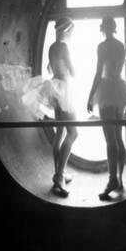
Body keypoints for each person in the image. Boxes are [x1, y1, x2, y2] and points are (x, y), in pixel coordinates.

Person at [87, 16, 126, 201]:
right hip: (120, 90)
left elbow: (97, 73)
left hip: (106, 90)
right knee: (118, 138)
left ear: (103, 29)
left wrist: (90, 97)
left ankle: (112, 181)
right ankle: (119, 178)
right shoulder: (120, 46)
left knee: (110, 140)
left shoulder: (102, 46)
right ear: (115, 28)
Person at [47, 17, 78, 197]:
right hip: (64, 87)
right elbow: (73, 71)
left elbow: (49, 68)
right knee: (73, 133)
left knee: (59, 133)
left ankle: (59, 173)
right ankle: (59, 176)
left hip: (54, 87)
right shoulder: (64, 46)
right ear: (66, 30)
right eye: (71, 31)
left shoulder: (52, 46)